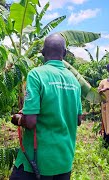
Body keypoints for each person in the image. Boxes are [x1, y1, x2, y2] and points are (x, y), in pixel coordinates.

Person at [10, 33, 83, 180]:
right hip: (64, 160)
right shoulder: (74, 81)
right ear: (65, 53)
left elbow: (30, 122)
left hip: (36, 162)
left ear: (43, 52)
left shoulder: (36, 75)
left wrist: (17, 118)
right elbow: (78, 120)